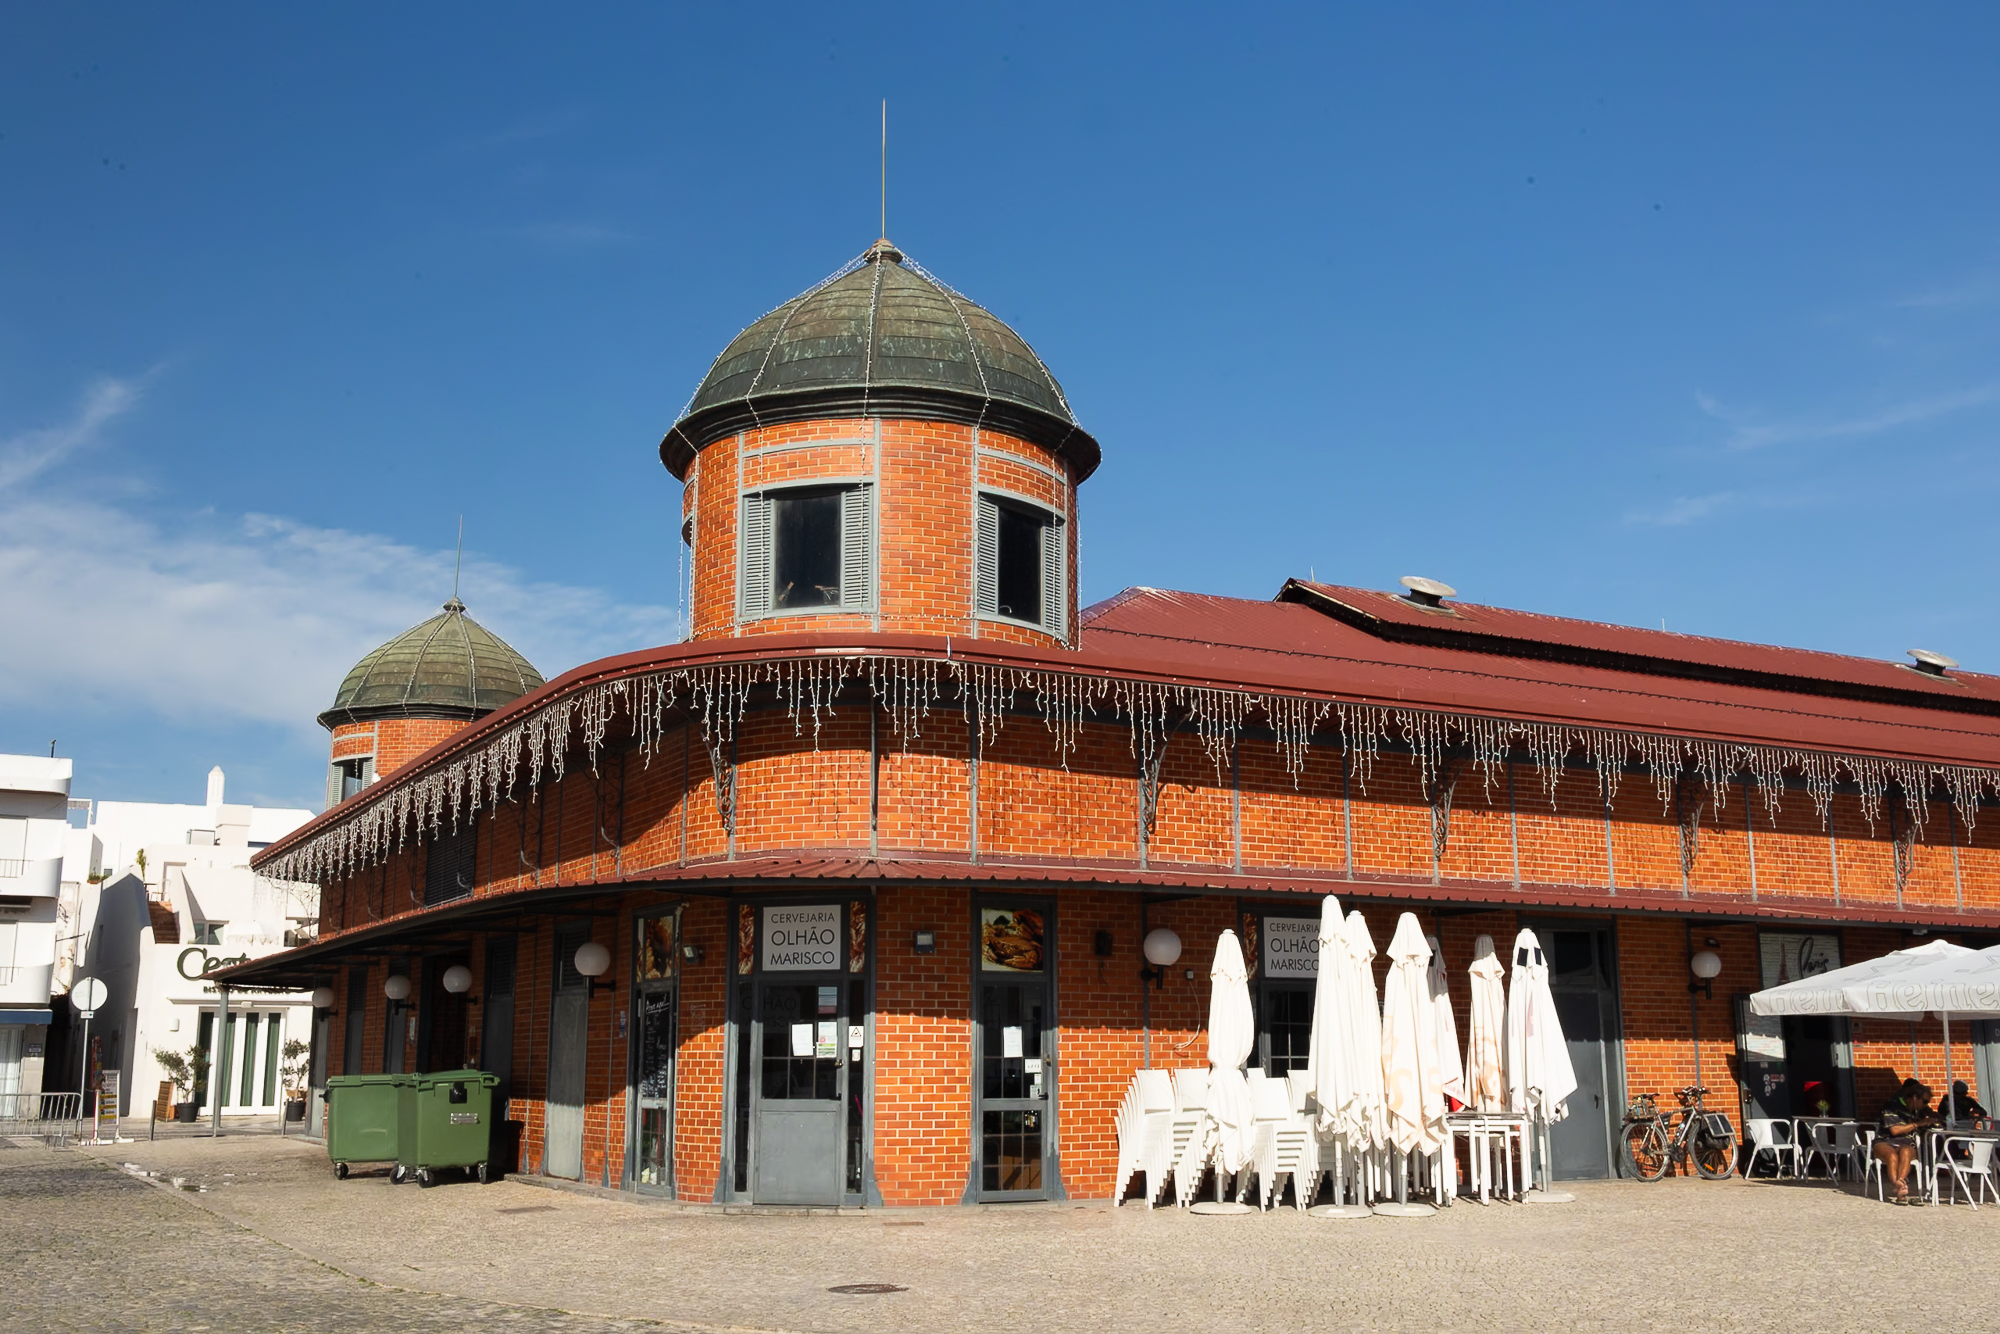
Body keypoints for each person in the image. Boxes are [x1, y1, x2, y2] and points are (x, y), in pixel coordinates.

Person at [1873, 1079, 1940, 1204]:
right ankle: (1897, 1185)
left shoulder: (1920, 1112)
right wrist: (1918, 1124)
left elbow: (1927, 1126)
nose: (1926, 1104)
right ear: (1915, 1098)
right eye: (1924, 1101)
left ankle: (1900, 1185)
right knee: (1891, 1155)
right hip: (1885, 1140)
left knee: (1905, 1151)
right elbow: (1894, 1130)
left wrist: (1934, 1121)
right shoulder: (1892, 1105)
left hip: (1907, 1143)